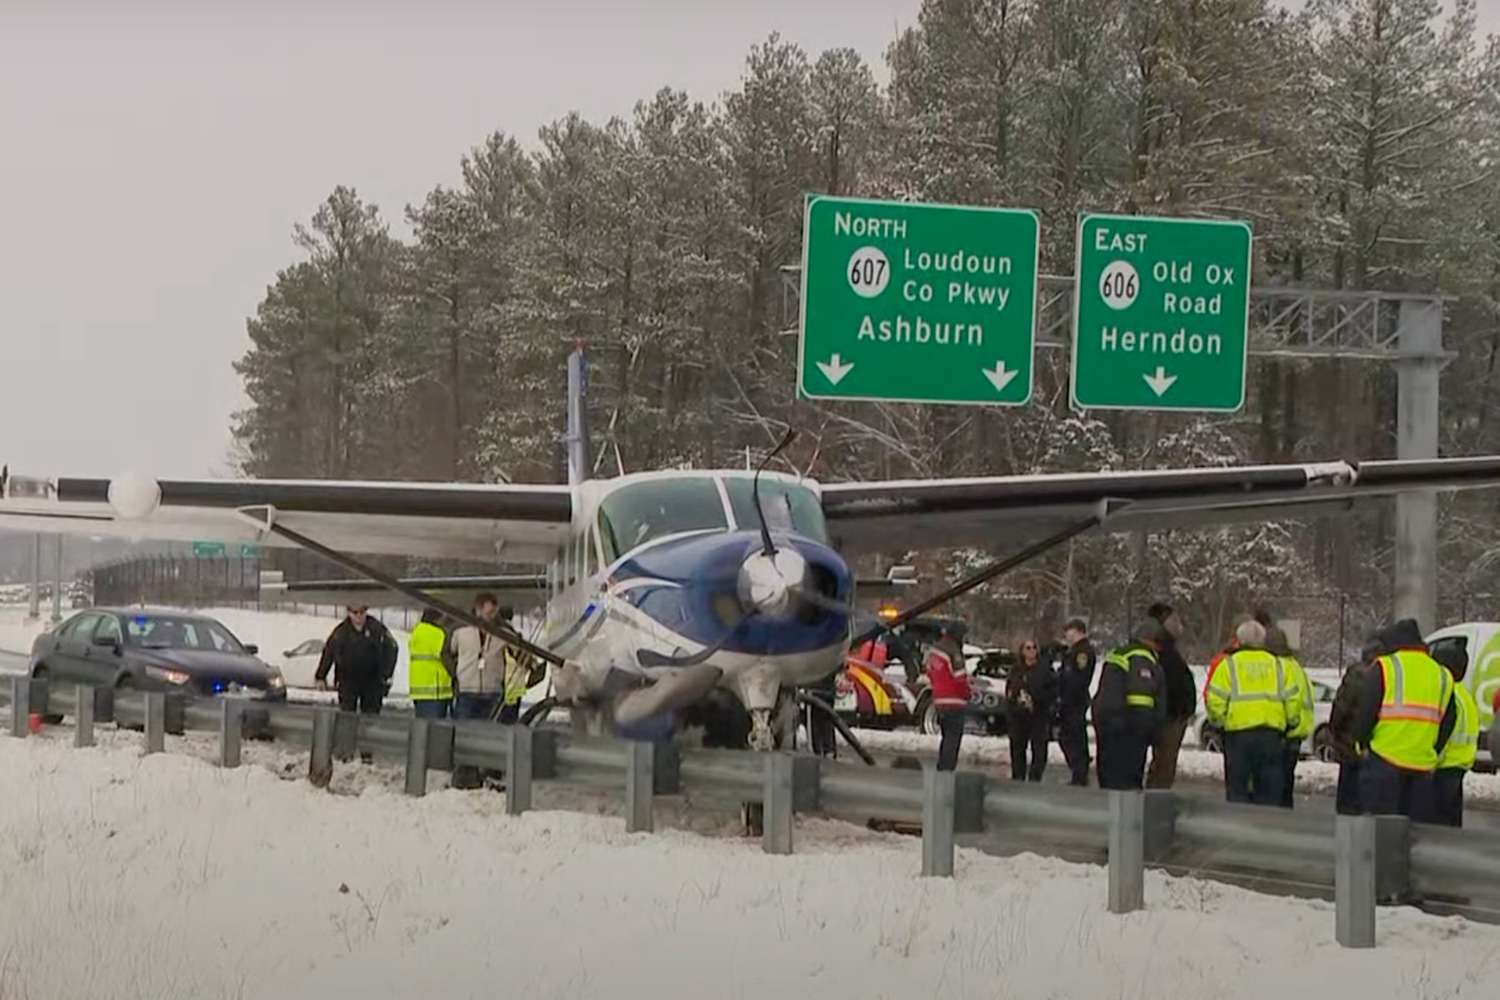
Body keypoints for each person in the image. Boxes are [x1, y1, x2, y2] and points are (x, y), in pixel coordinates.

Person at [1350, 619, 1457, 817]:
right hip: (1422, 766)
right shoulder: (1443, 675)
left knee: (1378, 833)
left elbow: (1367, 710)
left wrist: (1362, 743)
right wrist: (1433, 750)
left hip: (1384, 760)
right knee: (1414, 835)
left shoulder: (1385, 667)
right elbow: (1449, 721)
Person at [1203, 619, 1301, 806]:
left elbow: (1215, 701)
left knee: (1238, 790)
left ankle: (1239, 830)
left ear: (1239, 641)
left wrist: (1221, 722)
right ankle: (1265, 829)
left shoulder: (1228, 665)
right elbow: (1293, 701)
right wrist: (1290, 723)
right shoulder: (1279, 666)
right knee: (1269, 792)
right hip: (1271, 736)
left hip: (1238, 737)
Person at [1094, 619, 1168, 790]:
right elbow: (1150, 701)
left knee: (1109, 780)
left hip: (1111, 728)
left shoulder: (1119, 655)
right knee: (1129, 784)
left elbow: (1108, 695)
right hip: (1132, 731)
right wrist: (1153, 733)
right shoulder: (1148, 662)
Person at [1414, 644, 1478, 827]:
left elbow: (1443, 730)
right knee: (1451, 820)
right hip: (1460, 764)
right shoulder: (1465, 695)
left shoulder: (1446, 694)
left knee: (1436, 822)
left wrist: (1431, 758)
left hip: (1443, 765)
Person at [448, 593, 507, 788]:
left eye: (494, 612)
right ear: (478, 609)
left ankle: (490, 777)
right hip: (467, 689)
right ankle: (464, 778)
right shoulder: (460, 630)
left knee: (491, 738)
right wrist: (457, 674)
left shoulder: (504, 632)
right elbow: (447, 652)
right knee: (464, 736)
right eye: (488, 612)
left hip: (492, 691)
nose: (491, 616)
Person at [1256, 610, 1313, 809]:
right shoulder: (1297, 667)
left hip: (1281, 733)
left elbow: (1287, 702)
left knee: (1271, 789)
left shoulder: (1276, 668)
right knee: (1286, 787)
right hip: (1297, 735)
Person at [1145, 603, 1196, 789]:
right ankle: (1155, 802)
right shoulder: (1161, 648)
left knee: (1164, 764)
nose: (1179, 625)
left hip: (1174, 713)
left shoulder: (1168, 648)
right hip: (1169, 715)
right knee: (1163, 765)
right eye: (1174, 620)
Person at [315, 604, 399, 717]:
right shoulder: (341, 632)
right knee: (347, 717)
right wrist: (321, 676)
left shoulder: (377, 629)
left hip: (372, 681)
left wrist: (385, 674)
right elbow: (329, 652)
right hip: (347, 680)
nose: (359, 616)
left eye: (362, 612)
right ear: (349, 613)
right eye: (355, 613)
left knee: (370, 717)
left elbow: (392, 648)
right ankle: (348, 734)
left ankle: (367, 734)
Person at [1004, 636, 1057, 782]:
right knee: (1017, 749)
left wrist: (1037, 699)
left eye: (1034, 647)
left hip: (1038, 715)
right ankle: (1018, 778)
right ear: (1022, 651)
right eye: (1028, 648)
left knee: (1039, 751)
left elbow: (1053, 691)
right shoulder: (1016, 670)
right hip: (1019, 716)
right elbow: (1009, 691)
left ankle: (1035, 779)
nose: (1031, 651)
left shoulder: (1045, 669)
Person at [924, 621, 970, 771]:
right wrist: (967, 693)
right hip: (955, 701)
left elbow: (929, 671)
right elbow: (960, 678)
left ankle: (941, 769)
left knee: (946, 739)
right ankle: (947, 773)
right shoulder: (953, 651)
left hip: (939, 701)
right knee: (952, 741)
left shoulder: (934, 650)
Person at [1056, 618, 1097, 786]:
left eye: (1070, 631)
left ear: (1078, 631)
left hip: (1075, 700)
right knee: (1069, 736)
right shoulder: (1074, 651)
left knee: (1073, 736)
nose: (1067, 635)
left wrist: (1066, 695)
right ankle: (1078, 769)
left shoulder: (1083, 652)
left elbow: (1078, 678)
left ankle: (1079, 771)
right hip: (1069, 699)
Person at [407, 608, 453, 720]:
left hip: (419, 690)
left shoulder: (417, 630)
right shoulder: (438, 633)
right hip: (435, 690)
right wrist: (456, 674)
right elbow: (445, 658)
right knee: (435, 730)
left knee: (423, 728)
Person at [497, 606, 531, 724]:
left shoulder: (500, 632)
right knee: (510, 718)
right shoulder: (513, 634)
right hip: (515, 682)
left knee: (503, 718)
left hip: (507, 683)